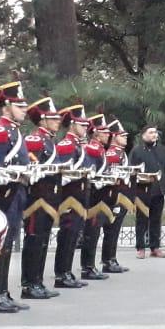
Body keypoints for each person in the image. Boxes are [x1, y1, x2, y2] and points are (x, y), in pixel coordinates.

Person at [0, 79, 32, 313]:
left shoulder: (13, 131)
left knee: (8, 245)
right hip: (3, 194)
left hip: (16, 192)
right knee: (0, 245)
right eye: (19, 106)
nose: (24, 110)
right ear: (6, 106)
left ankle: (3, 292)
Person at [20, 95, 62, 299]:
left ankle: (38, 280)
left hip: (49, 197)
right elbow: (33, 167)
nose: (58, 122)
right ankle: (29, 284)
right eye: (53, 119)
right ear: (43, 120)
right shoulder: (35, 140)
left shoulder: (49, 141)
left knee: (43, 240)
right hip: (37, 199)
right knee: (34, 240)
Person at [53, 104, 91, 289]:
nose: (85, 128)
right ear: (73, 124)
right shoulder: (67, 145)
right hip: (69, 197)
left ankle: (67, 271)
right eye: (82, 125)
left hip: (78, 196)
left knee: (73, 234)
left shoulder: (76, 144)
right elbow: (64, 173)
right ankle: (61, 274)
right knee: (67, 234)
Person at [130, 125, 165, 259]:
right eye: (151, 132)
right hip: (142, 190)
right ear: (143, 135)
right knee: (141, 219)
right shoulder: (137, 151)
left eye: (155, 132)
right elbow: (132, 170)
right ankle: (140, 247)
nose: (154, 134)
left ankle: (155, 247)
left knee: (156, 220)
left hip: (158, 190)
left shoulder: (163, 150)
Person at [79, 112, 112, 281]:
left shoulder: (99, 148)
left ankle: (90, 265)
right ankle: (87, 266)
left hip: (99, 194)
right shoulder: (92, 149)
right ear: (96, 133)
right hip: (93, 195)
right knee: (91, 232)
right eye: (104, 132)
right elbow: (91, 173)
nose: (108, 135)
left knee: (94, 231)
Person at [99, 118, 131, 274]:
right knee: (111, 229)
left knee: (115, 229)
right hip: (114, 195)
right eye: (122, 136)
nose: (125, 138)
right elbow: (113, 176)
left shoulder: (119, 152)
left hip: (121, 194)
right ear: (115, 136)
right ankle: (108, 260)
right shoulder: (112, 153)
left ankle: (112, 258)